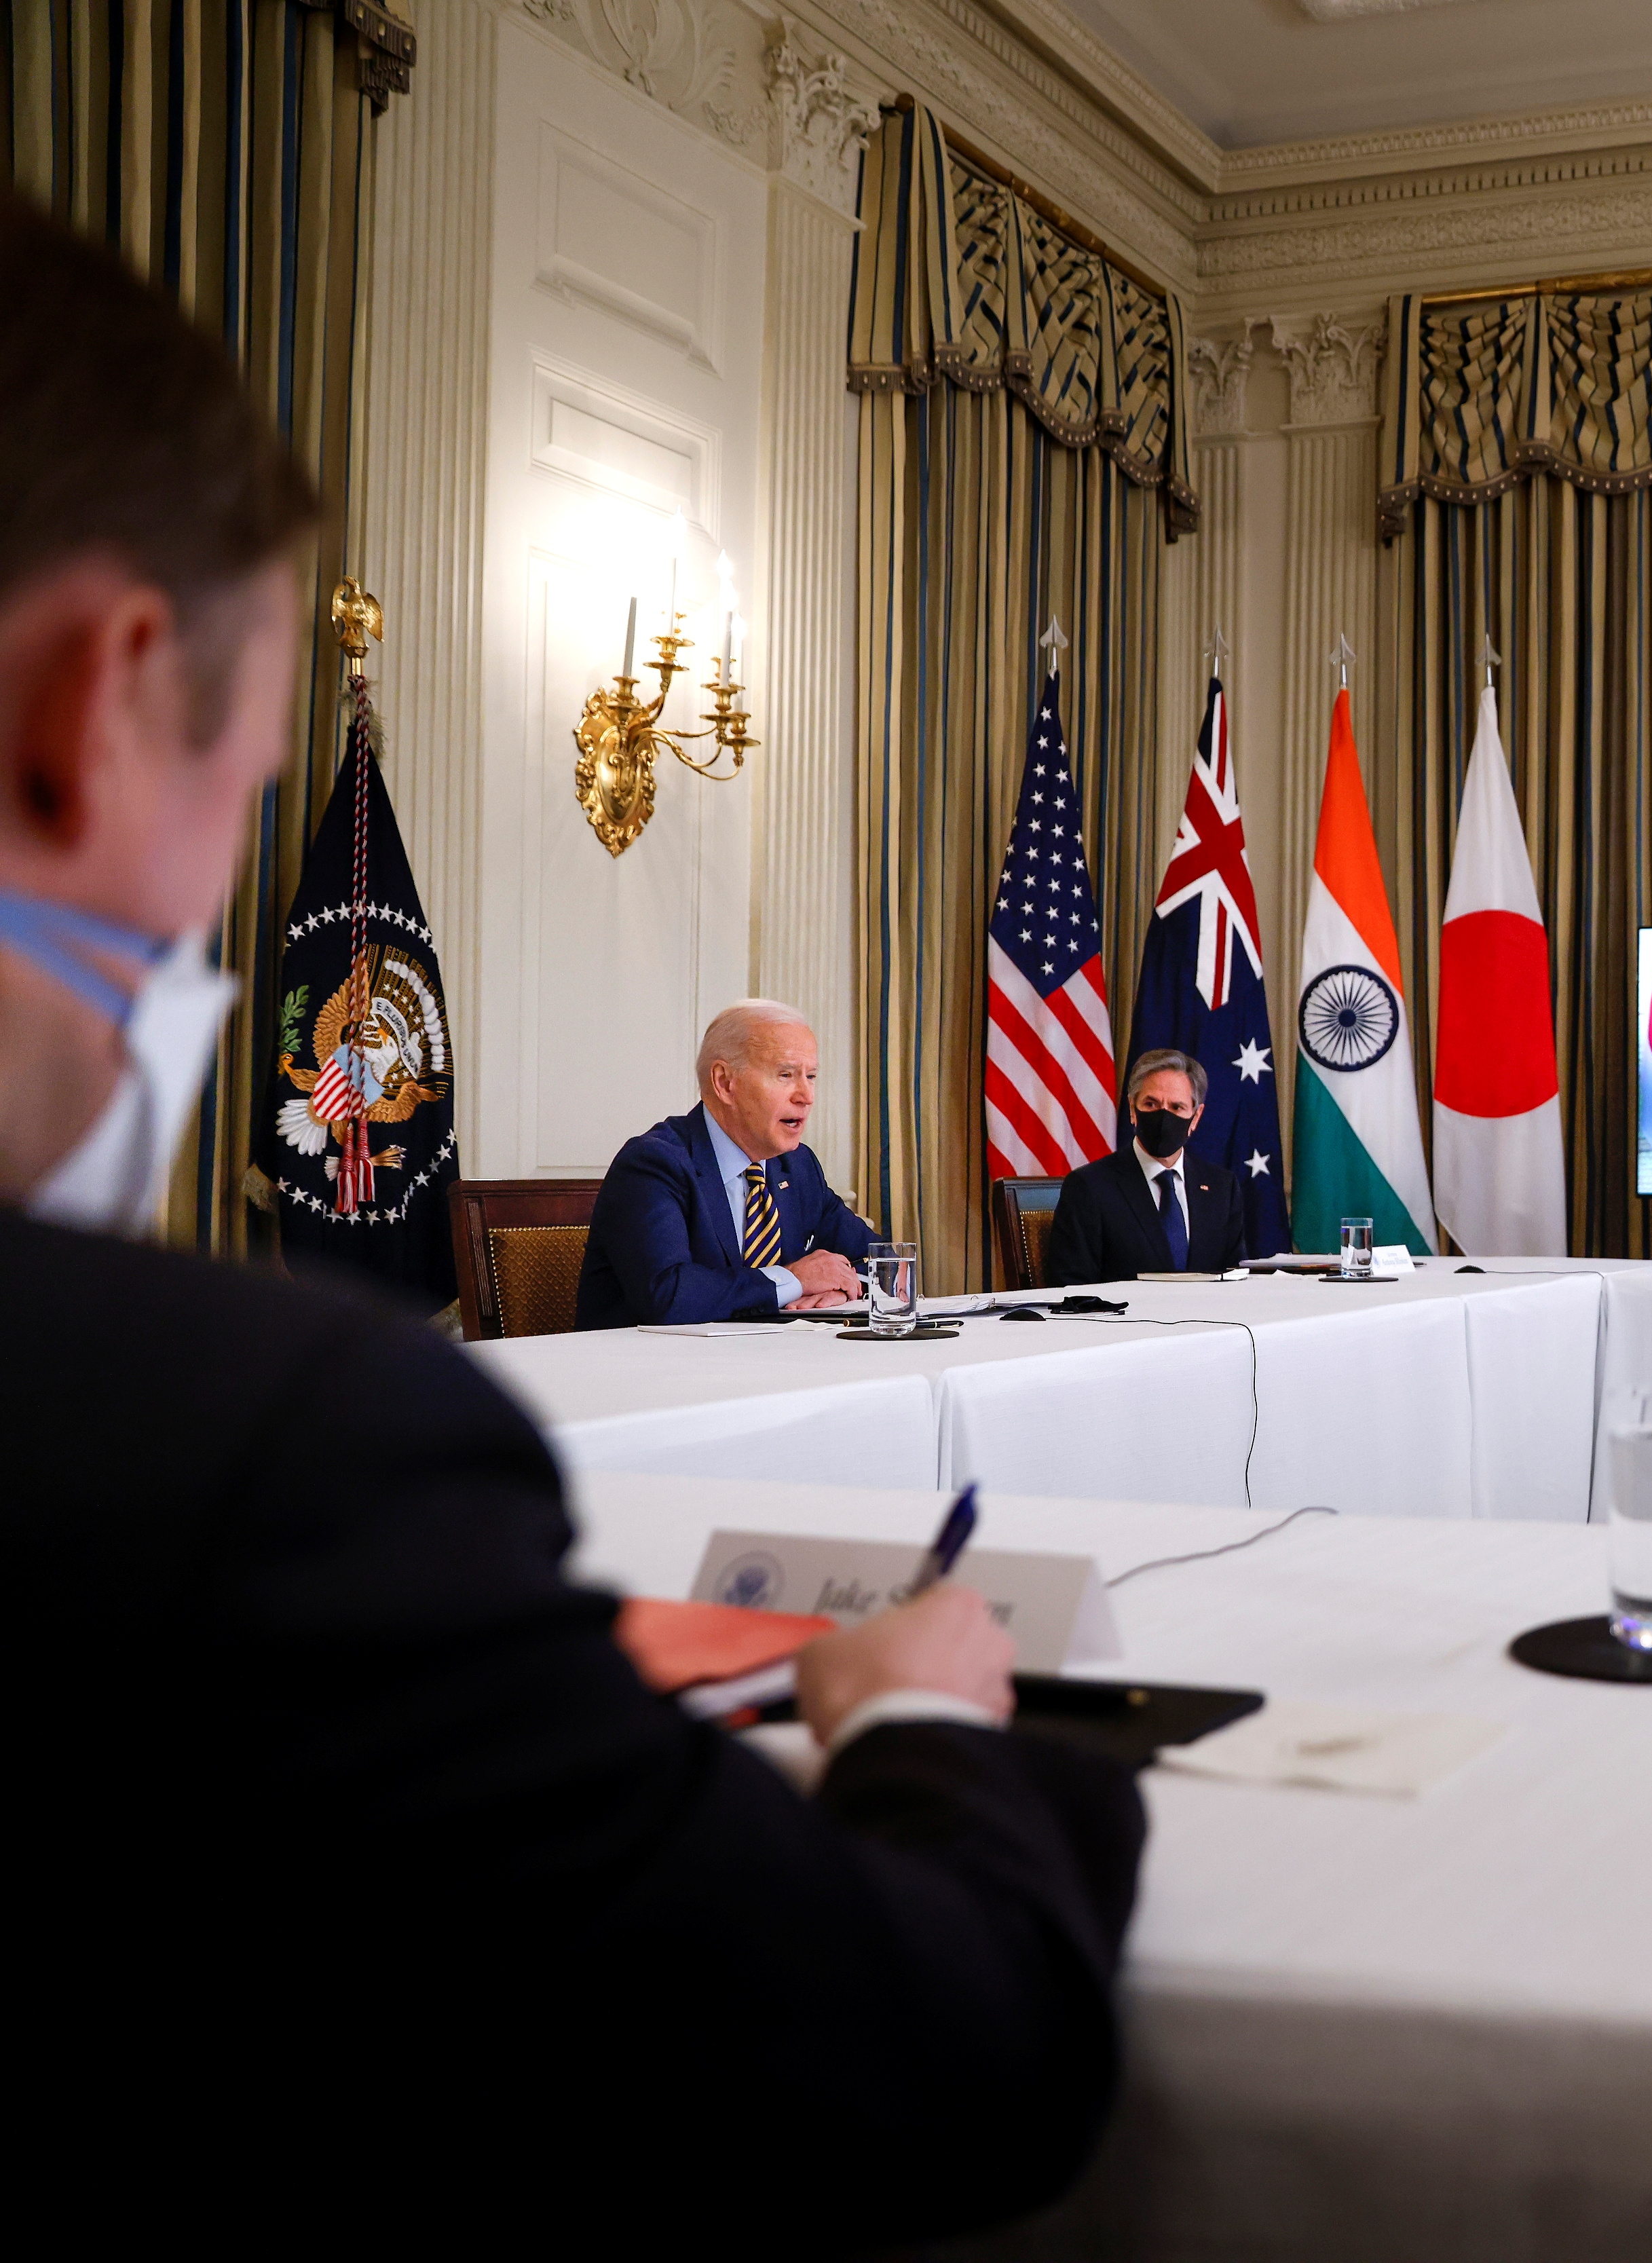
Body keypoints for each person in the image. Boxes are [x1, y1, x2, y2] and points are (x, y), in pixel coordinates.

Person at [0, 195, 1140, 2250]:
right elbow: (937, 2055)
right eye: (241, 787)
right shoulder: (259, 1463)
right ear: (101, 702)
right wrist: (912, 1732)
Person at [574, 1000, 878, 1326]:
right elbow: (666, 1295)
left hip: (770, 1365)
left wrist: (845, 1288)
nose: (806, 1095)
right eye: (786, 1074)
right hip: (650, 1369)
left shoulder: (796, 1165)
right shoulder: (654, 1163)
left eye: (812, 1076)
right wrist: (793, 1281)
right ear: (725, 1083)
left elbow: (886, 1261)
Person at [1049, 1046, 1245, 1279]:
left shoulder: (1221, 1188)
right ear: (1133, 1109)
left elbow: (1235, 1277)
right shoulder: (1090, 1187)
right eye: (1151, 1104)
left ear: (1196, 1118)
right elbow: (1070, 1283)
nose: (1164, 1118)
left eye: (1176, 1107)